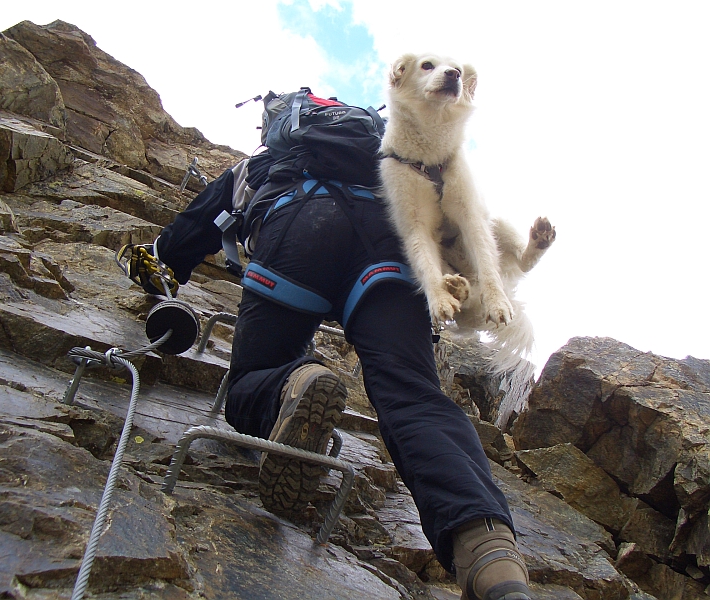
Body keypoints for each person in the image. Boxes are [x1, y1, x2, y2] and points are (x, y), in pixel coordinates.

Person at [126, 140, 532, 600]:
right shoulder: (388, 159)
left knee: (253, 375)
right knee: (414, 396)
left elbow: (189, 233)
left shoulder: (262, 163)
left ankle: (288, 384)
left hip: (298, 224)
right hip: (391, 244)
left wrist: (157, 264)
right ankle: (488, 551)